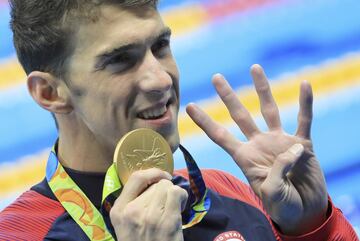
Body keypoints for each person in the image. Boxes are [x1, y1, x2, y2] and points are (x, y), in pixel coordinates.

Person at [0, 0, 358, 240]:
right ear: (50, 93)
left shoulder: (231, 194)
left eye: (160, 47)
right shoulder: (20, 234)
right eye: (121, 60)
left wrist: (313, 229)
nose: (161, 79)